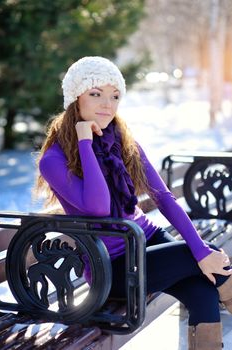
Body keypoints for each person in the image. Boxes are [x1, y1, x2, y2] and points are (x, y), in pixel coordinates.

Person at [36, 56, 232, 350]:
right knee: (210, 257)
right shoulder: (54, 159)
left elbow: (163, 197)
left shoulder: (123, 140)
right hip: (110, 268)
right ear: (75, 98)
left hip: (147, 239)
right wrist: (85, 143)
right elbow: (98, 208)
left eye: (115, 96)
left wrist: (200, 250)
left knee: (204, 289)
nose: (108, 104)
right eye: (96, 93)